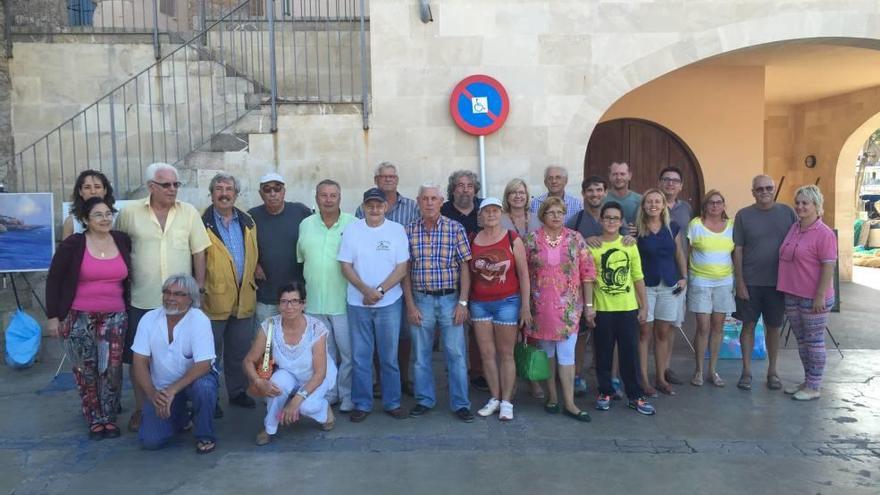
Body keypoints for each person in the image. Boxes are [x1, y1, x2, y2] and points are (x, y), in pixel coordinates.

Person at [115, 162, 211, 432]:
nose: (172, 189)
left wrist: (199, 290)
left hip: (182, 300)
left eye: (175, 184)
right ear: (150, 187)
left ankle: (182, 406)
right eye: (166, 184)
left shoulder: (189, 212)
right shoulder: (129, 214)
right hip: (142, 298)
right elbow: (119, 250)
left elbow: (199, 252)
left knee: (185, 355)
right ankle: (142, 407)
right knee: (140, 359)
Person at [46, 197, 132, 440]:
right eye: (98, 215)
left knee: (112, 369)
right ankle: (94, 419)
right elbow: (55, 279)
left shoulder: (122, 240)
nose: (105, 218)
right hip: (78, 317)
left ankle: (108, 417)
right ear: (85, 219)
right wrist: (53, 316)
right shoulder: (74, 244)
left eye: (108, 213)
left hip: (116, 316)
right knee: (86, 370)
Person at [403, 184, 475, 422]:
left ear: (441, 201)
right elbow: (406, 271)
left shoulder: (455, 228)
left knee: (455, 353)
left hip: (450, 300)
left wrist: (463, 302)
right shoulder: (409, 230)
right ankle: (424, 400)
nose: (430, 203)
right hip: (421, 300)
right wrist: (410, 305)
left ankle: (461, 403)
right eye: (425, 199)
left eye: (434, 198)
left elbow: (465, 266)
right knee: (421, 355)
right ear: (418, 201)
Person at [338, 188, 409, 422]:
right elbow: (345, 266)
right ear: (364, 206)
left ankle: (392, 402)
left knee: (389, 356)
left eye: (379, 205)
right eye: (370, 205)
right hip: (358, 304)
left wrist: (378, 291)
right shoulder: (352, 230)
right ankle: (362, 403)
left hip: (389, 303)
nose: (375, 209)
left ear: (385, 207)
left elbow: (401, 268)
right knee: (361, 356)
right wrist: (365, 290)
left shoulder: (397, 231)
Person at [523, 196, 596, 422]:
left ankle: (571, 403)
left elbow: (588, 272)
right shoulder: (531, 240)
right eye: (551, 212)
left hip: (569, 309)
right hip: (540, 307)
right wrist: (524, 305)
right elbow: (523, 274)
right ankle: (552, 397)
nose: (556, 216)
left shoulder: (575, 239)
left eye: (560, 212)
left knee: (567, 355)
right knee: (548, 354)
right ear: (542, 215)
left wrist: (590, 306)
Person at [131, 274, 218, 454]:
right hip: (162, 388)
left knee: (205, 388)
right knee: (150, 441)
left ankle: (204, 434)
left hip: (194, 381)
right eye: (167, 292)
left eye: (178, 294)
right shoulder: (148, 319)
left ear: (191, 299)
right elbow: (138, 362)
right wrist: (153, 394)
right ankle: (181, 418)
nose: (170, 298)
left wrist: (172, 390)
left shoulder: (199, 320)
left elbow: (204, 364)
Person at [246, 282, 338, 445]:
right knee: (275, 384)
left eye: (295, 301)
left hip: (316, 376)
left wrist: (296, 400)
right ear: (278, 304)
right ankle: (269, 428)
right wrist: (259, 381)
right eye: (284, 301)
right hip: (289, 373)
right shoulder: (270, 325)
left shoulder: (316, 328)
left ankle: (325, 411)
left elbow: (319, 374)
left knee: (306, 407)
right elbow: (249, 361)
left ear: (304, 304)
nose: (289, 306)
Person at [355, 162, 419, 394]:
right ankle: (381, 380)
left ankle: (402, 379)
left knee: (403, 333)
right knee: (376, 336)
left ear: (397, 179)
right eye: (384, 177)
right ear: (376, 180)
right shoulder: (361, 210)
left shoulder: (412, 207)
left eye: (393, 176)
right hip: (371, 283)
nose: (389, 180)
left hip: (406, 278)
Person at [568, 175, 633, 398]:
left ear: (605, 192)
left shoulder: (615, 217)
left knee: (609, 340)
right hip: (581, 289)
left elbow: (624, 242)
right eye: (590, 191)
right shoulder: (575, 221)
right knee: (580, 336)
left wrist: (631, 240)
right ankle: (577, 376)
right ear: (584, 194)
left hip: (610, 291)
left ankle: (611, 377)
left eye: (599, 190)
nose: (595, 194)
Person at [297, 179, 357, 412]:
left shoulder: (353, 224)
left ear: (340, 198)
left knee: (348, 354)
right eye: (324, 195)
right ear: (316, 198)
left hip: (343, 301)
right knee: (324, 354)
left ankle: (348, 394)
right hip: (314, 303)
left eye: (333, 195)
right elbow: (302, 260)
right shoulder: (305, 224)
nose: (328, 200)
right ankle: (330, 393)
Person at [469, 197, 531, 421]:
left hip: (508, 302)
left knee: (506, 354)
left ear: (501, 214)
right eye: (487, 212)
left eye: (495, 211)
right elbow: (469, 272)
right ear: (480, 216)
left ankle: (507, 401)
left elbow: (524, 274)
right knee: (487, 354)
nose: (491, 215)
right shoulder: (473, 239)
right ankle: (494, 397)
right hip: (479, 304)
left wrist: (525, 306)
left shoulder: (512, 239)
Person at [732, 175, 797, 391]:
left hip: (779, 283)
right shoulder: (743, 215)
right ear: (753, 192)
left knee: (773, 327)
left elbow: (799, 240)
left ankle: (773, 371)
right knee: (748, 326)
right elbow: (738, 250)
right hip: (750, 283)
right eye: (759, 189)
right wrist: (739, 281)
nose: (765, 192)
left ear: (774, 188)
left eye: (769, 188)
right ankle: (747, 372)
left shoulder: (787, 213)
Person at [590, 202, 655, 416]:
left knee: (630, 354)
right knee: (603, 353)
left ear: (621, 222)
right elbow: (588, 279)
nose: (610, 222)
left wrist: (644, 306)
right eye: (607, 217)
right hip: (603, 309)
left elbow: (638, 277)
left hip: (627, 309)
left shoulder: (629, 244)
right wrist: (589, 307)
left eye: (615, 218)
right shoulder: (593, 246)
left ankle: (635, 395)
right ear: (601, 220)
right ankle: (605, 391)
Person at [201, 173, 258, 411]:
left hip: (244, 298)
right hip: (213, 298)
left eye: (229, 189)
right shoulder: (200, 222)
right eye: (219, 189)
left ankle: (237, 392)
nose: (224, 193)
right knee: (209, 354)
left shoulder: (248, 221)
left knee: (239, 352)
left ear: (236, 194)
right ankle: (209, 398)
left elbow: (253, 252)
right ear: (211, 193)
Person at [777, 185, 837, 401]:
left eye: (805, 203)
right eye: (798, 202)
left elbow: (828, 266)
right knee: (801, 341)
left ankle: (814, 386)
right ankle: (807, 380)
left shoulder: (824, 233)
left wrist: (819, 296)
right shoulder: (795, 227)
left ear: (816, 206)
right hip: (792, 293)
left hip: (814, 297)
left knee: (814, 341)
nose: (800, 206)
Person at [635, 189, 687, 396]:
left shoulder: (672, 227)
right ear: (644, 205)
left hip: (669, 286)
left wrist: (684, 277)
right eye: (649, 201)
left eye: (657, 201)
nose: (653, 205)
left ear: (664, 205)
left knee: (663, 333)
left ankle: (661, 378)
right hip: (646, 286)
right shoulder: (635, 229)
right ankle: (644, 380)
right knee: (644, 333)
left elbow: (679, 253)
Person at [440, 170, 487, 391]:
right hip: (451, 276)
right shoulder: (444, 211)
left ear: (475, 188)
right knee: (453, 325)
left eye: (469, 185)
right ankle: (454, 368)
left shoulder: (485, 208)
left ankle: (479, 371)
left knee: (478, 326)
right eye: (460, 185)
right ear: (453, 189)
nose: (465, 189)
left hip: (482, 275)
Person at [248, 172, 313, 324]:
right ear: (260, 193)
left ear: (284, 191)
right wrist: (254, 263)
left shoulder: (300, 212)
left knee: (295, 338)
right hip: (266, 295)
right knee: (266, 342)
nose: (272, 193)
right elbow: (243, 247)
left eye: (277, 189)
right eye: (267, 189)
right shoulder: (251, 217)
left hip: (295, 294)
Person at [499, 178, 543, 400]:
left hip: (538, 283)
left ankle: (533, 378)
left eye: (522, 193)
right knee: (512, 334)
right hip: (509, 283)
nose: (518, 196)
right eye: (513, 192)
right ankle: (512, 379)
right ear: (507, 197)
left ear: (527, 197)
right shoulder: (500, 221)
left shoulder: (537, 220)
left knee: (532, 332)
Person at [687, 190, 735, 388]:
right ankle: (698, 369)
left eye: (719, 202)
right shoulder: (696, 225)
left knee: (718, 327)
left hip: (724, 282)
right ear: (705, 205)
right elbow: (686, 251)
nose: (715, 206)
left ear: (724, 205)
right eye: (711, 203)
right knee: (703, 327)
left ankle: (712, 370)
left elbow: (736, 253)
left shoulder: (732, 226)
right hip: (700, 282)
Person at [657, 166, 693, 386]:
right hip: (653, 275)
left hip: (677, 275)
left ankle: (665, 367)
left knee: (670, 324)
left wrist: (685, 274)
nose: (670, 183)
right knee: (649, 327)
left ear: (681, 186)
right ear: (659, 182)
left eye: (675, 180)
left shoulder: (686, 208)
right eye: (666, 179)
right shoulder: (651, 204)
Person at [62, 170, 116, 239]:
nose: (93, 192)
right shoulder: (71, 222)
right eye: (87, 187)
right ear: (80, 192)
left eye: (97, 187)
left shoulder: (117, 218)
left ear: (105, 190)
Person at [606, 162, 642, 228]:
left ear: (630, 176)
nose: (619, 177)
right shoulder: (601, 199)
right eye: (615, 174)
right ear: (609, 176)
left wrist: (638, 230)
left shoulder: (640, 200)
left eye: (622, 174)